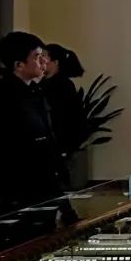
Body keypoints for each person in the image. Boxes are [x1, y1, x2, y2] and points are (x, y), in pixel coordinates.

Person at [0, 32, 66, 217]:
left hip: (43, 185)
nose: (44, 61)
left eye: (43, 56)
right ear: (19, 64)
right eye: (37, 56)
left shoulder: (35, 91)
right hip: (17, 191)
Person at [41, 43, 86, 184]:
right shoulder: (42, 84)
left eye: (44, 57)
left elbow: (69, 117)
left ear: (55, 62)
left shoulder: (64, 86)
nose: (41, 61)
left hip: (59, 142)